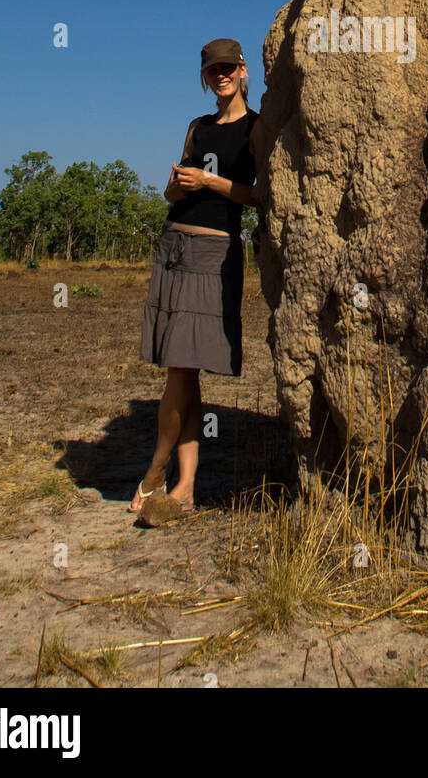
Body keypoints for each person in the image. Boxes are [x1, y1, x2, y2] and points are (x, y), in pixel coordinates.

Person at [130, 37, 266, 524]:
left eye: (229, 68)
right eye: (213, 71)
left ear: (244, 71)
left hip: (215, 251)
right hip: (175, 244)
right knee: (182, 369)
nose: (222, 76)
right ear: (206, 78)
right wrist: (175, 186)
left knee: (182, 368)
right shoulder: (197, 127)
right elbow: (174, 191)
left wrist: (210, 183)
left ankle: (155, 470)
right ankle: (185, 488)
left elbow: (259, 196)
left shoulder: (256, 128)